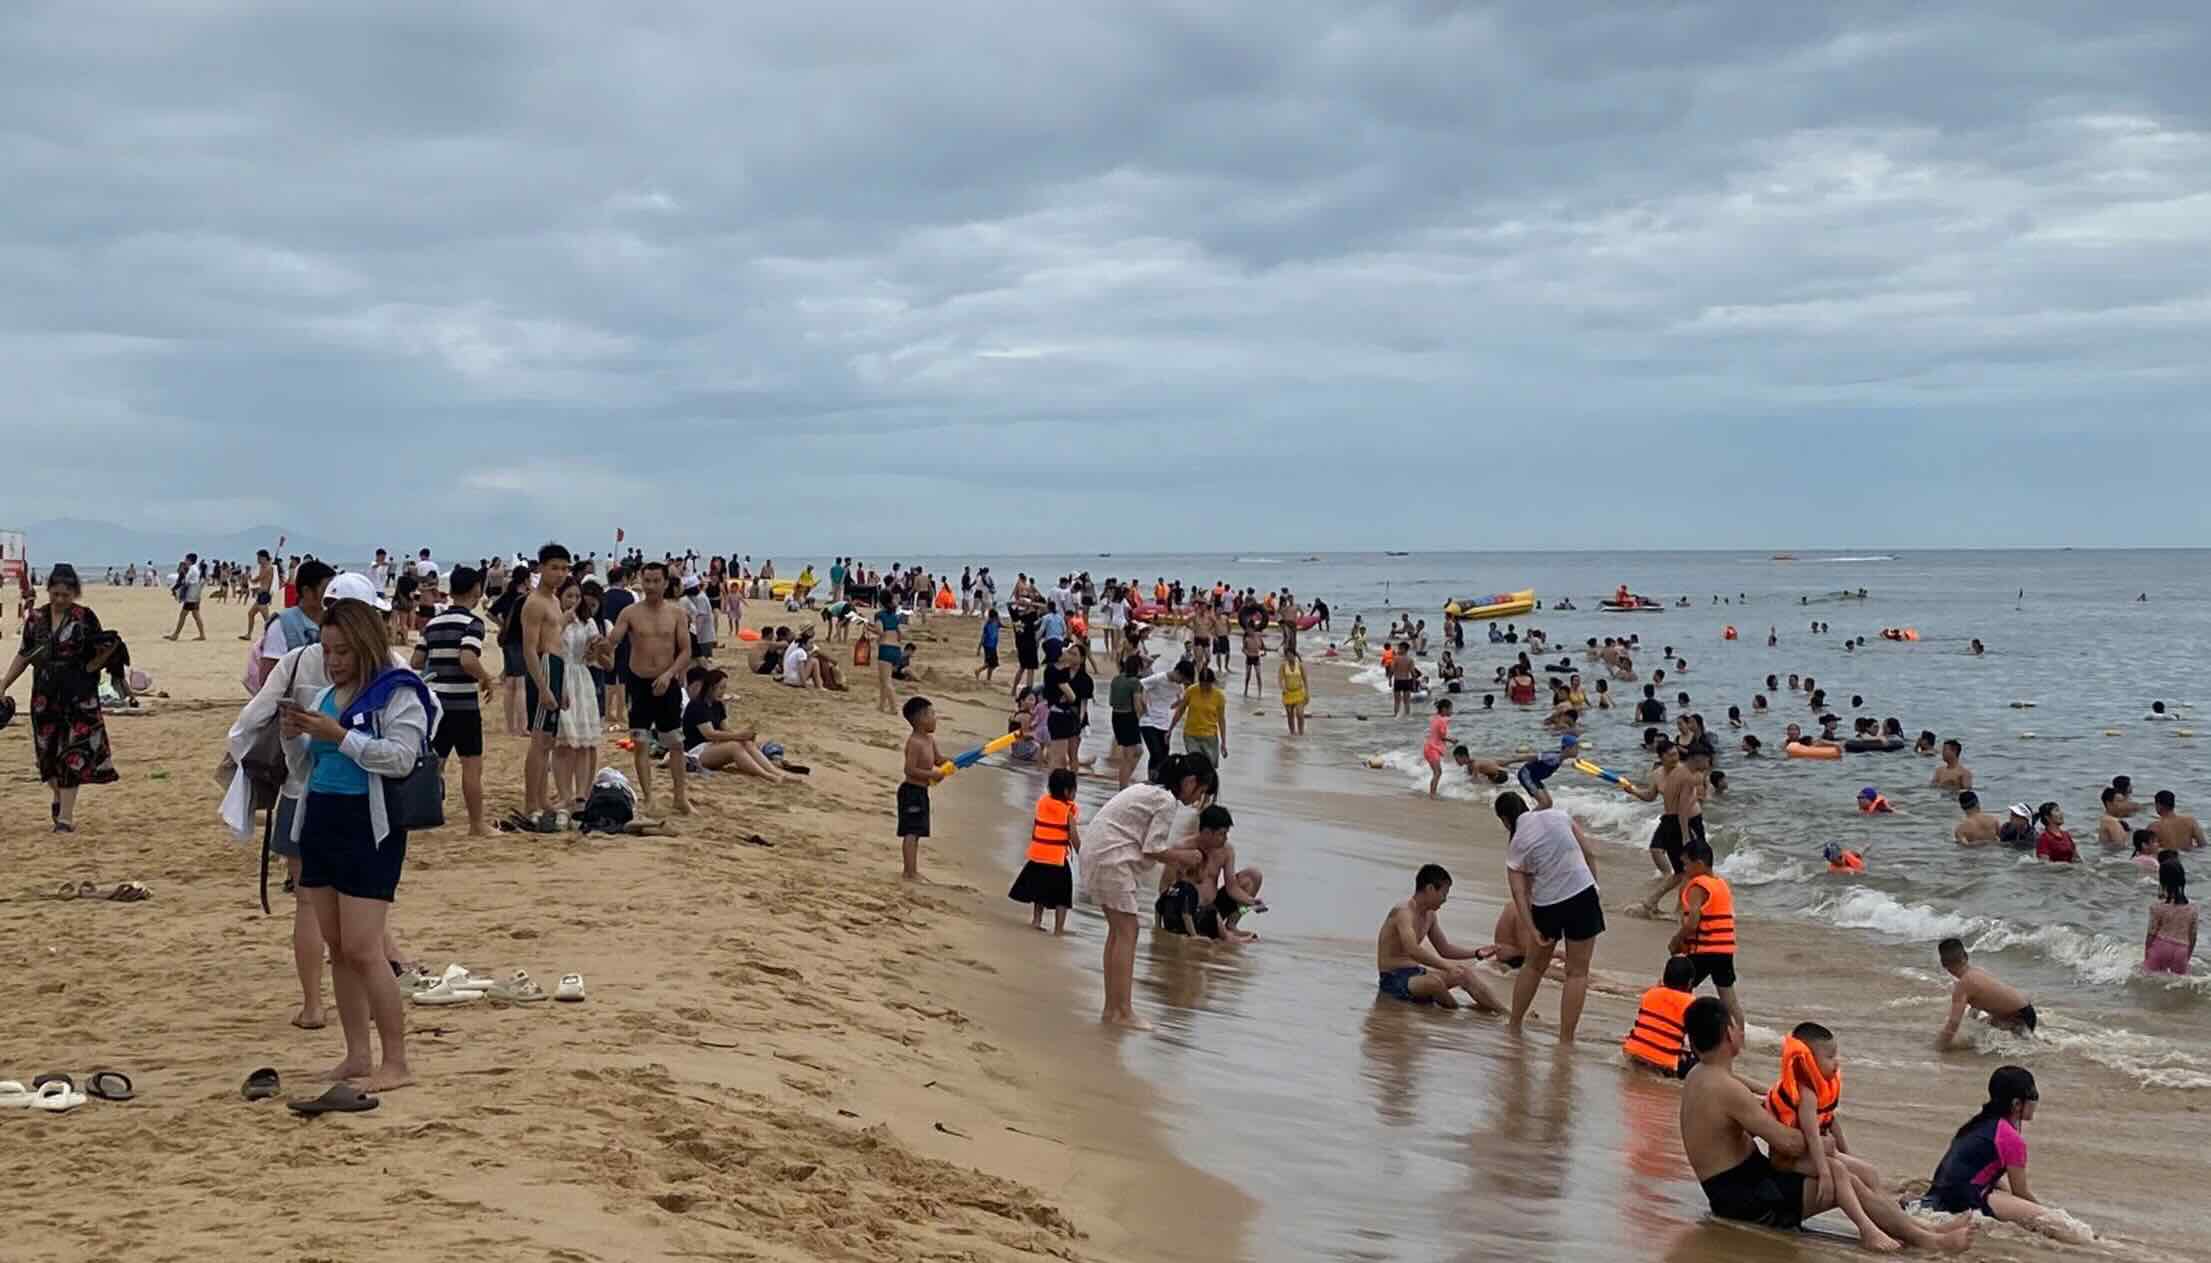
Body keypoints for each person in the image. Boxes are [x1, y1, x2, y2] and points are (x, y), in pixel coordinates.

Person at [280, 598, 437, 1094]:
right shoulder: (328, 694)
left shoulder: (397, 694)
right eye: (327, 650)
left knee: (366, 948)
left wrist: (340, 736)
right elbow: (307, 769)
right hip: (322, 819)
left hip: (370, 828)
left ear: (366, 645)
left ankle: (397, 1062)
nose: (334, 660)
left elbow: (401, 758)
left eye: (344, 650)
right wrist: (294, 736)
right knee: (339, 950)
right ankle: (356, 1056)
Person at [1680, 999, 1971, 1249]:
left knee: (1855, 1174)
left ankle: (1920, 1229)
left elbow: (1769, 1096)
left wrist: (1798, 1099)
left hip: (1742, 1185)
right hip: (1747, 1200)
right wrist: (1823, 1141)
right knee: (1849, 1182)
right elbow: (1789, 1143)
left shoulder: (1703, 1075)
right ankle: (1927, 1241)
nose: (1741, 1030)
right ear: (1730, 1034)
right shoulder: (1724, 1088)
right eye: (1737, 1025)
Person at [1762, 1022, 1937, 1251]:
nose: (1837, 1061)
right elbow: (1813, 1138)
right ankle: (1867, 1229)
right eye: (1830, 1056)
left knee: (1869, 1172)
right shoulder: (1805, 1095)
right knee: (1840, 1172)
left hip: (1816, 1152)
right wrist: (1825, 1172)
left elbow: (1830, 1121)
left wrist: (1845, 1153)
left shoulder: (1820, 1088)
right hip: (1789, 1160)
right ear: (1809, 1061)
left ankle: (1906, 1224)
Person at [1083, 755, 1219, 1029]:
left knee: (1120, 931)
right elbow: (1153, 848)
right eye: (1201, 791)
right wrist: (1184, 857)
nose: (1198, 799)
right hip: (1112, 857)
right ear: (1190, 782)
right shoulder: (1166, 801)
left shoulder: (1151, 790)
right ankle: (1122, 1011)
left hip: (1098, 852)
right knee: (1127, 931)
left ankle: (1114, 1008)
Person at [0, 565, 120, 832]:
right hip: (44, 696)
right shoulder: (36, 619)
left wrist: (107, 655)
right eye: (55, 594)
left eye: (66, 595)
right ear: (49, 591)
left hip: (78, 696)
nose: (60, 600)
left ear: (74, 593)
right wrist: (4, 683)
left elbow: (97, 657)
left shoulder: (85, 618)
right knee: (47, 757)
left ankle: (65, 819)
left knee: (72, 754)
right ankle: (57, 795)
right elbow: (25, 655)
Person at [1495, 790, 1602, 1042]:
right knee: (1577, 973)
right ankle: (1566, 1038)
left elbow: (1519, 893)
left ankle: (1514, 1023)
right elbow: (1590, 853)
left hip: (1547, 905)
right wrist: (1594, 888)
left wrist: (1532, 929)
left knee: (1533, 966)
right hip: (1582, 895)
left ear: (1505, 820)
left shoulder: (1517, 843)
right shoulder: (1559, 816)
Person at [411, 566, 496, 836]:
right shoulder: (473, 623)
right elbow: (468, 658)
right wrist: (485, 677)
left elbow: (416, 661)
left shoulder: (434, 623)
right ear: (476, 590)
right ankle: (477, 824)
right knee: (471, 765)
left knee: (436, 764)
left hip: (435, 703)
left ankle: (427, 816)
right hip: (462, 704)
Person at [1923, 1066, 2055, 1232]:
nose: (2036, 1102)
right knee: (2052, 1222)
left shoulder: (1978, 1124)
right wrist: (2047, 1212)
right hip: (1964, 1201)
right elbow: (2021, 1192)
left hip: (1940, 1195)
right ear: (2016, 1104)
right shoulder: (2010, 1138)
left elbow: (1980, 1172)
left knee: (2009, 1196)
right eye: (2034, 1096)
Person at [606, 559, 691, 816]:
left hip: (668, 682)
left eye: (656, 581)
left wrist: (670, 674)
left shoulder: (677, 613)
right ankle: (648, 797)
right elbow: (613, 641)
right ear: (640, 582)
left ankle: (680, 797)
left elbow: (686, 651)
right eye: (647, 581)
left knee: (675, 743)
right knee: (641, 743)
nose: (651, 586)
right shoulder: (630, 613)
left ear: (666, 583)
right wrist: (601, 646)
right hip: (639, 682)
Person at [1373, 863, 1503, 1010]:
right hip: (1392, 978)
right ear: (1430, 889)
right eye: (1444, 893)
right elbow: (1412, 950)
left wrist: (1477, 953)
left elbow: (1444, 949)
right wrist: (1447, 967)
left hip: (1416, 974)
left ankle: (1503, 1013)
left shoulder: (1430, 915)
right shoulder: (1403, 912)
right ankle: (1459, 1009)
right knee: (1434, 983)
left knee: (1464, 974)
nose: (1445, 899)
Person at [517, 544, 572, 829]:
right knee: (539, 742)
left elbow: (557, 639)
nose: (561, 574)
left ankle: (541, 798)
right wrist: (543, 687)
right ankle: (531, 802)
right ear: (541, 568)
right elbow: (529, 649)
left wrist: (561, 688)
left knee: (548, 742)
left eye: (565, 568)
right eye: (555, 567)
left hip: (557, 666)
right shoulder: (535, 602)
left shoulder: (554, 600)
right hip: (544, 666)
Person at [1623, 742, 1705, 913]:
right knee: (1678, 867)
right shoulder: (1657, 774)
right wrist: (1633, 791)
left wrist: (1686, 835)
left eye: (1676, 754)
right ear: (1661, 757)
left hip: (1691, 821)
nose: (1675, 758)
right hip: (1672, 821)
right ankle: (1667, 904)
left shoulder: (1687, 773)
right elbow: (1650, 796)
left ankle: (1674, 907)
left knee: (1688, 870)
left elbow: (1687, 804)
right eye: (1670, 755)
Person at [1671, 838, 1741, 1022]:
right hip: (1724, 951)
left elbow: (1692, 922)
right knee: (1729, 1000)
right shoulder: (1720, 884)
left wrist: (1676, 940)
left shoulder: (1698, 885)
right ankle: (1739, 1033)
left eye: (1686, 864)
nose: (1684, 869)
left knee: (1676, 990)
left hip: (1704, 951)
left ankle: (1674, 1024)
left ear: (1699, 864)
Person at [1008, 769, 1082, 934]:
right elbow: (1074, 837)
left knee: (1039, 890)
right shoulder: (1068, 812)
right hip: (1056, 859)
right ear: (1067, 791)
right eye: (1074, 790)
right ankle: (1058, 929)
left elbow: (1036, 828)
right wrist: (1081, 853)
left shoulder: (1043, 803)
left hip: (1038, 855)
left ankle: (1036, 920)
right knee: (1063, 895)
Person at [1938, 938, 2036, 1046]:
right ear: (1966, 956)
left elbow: (1953, 1023)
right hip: (2027, 1010)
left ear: (1943, 963)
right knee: (1984, 1026)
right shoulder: (1978, 971)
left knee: (1981, 1041)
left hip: (2017, 1018)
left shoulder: (1962, 987)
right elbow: (1979, 1004)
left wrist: (1940, 1048)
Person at [1622, 955, 1698, 1077]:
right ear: (1690, 982)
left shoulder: (1650, 994)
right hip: (1665, 1064)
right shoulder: (1692, 1004)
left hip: (1633, 1052)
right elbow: (1692, 1042)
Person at [897, 696, 944, 881]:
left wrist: (958, 761)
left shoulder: (929, 740)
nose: (935, 718)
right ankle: (909, 871)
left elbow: (939, 760)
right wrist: (932, 775)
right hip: (911, 791)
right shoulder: (915, 742)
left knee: (917, 832)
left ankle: (912, 869)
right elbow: (909, 770)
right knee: (911, 831)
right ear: (920, 719)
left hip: (922, 792)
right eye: (932, 714)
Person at [1137, 658, 1190, 783]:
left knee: (1164, 756)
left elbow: (1181, 700)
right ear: (1177, 671)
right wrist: (1144, 703)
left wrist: (1174, 705)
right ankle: (1152, 780)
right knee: (1156, 753)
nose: (1181, 682)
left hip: (1165, 723)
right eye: (1181, 678)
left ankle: (1157, 781)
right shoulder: (1159, 678)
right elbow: (1141, 684)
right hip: (1148, 721)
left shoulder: (1179, 687)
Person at [2145, 859, 2195, 975]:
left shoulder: (2157, 907)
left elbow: (2151, 934)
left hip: (2161, 946)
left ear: (2162, 882)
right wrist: (2187, 957)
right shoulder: (2193, 908)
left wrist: (2146, 955)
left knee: (2148, 976)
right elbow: (2193, 937)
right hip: (2182, 949)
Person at [1174, 666, 1228, 769]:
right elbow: (1180, 710)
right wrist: (1171, 729)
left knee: (1209, 767)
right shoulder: (1191, 691)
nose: (1204, 687)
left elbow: (1221, 720)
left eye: (1207, 684)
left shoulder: (1219, 696)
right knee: (1195, 765)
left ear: (1212, 682)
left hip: (1210, 737)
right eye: (1202, 684)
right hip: (1191, 735)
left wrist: (1223, 742)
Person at [874, 590, 907, 714]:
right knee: (884, 679)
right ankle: (881, 705)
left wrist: (870, 628)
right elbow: (900, 634)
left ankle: (894, 707)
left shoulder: (879, 615)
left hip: (885, 649)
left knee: (886, 681)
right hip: (896, 649)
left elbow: (880, 632)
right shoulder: (895, 616)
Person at [164, 553, 208, 641]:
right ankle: (202, 635)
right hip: (196, 594)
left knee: (183, 615)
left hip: (191, 595)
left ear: (189, 560)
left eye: (186, 559)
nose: (185, 561)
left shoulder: (192, 569)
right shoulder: (196, 568)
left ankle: (175, 635)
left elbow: (186, 581)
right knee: (195, 615)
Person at [240, 548, 276, 642]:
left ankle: (273, 637)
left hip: (264, 595)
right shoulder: (264, 567)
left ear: (264, 558)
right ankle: (249, 635)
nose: (258, 560)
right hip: (261, 595)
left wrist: (249, 578)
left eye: (259, 558)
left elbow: (258, 579)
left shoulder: (268, 568)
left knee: (267, 620)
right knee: (251, 614)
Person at [1423, 698, 1453, 798]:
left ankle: (1432, 792)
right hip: (1432, 749)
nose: (1452, 711)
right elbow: (1442, 737)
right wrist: (1452, 740)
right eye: (1450, 709)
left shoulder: (1436, 717)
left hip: (1429, 748)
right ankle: (1432, 794)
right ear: (1444, 709)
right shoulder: (1442, 721)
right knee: (1438, 772)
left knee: (1437, 772)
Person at [1278, 647, 1308, 735]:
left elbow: (1305, 680)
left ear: (1295, 655)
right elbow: (1280, 679)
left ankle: (1301, 732)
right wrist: (1283, 688)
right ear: (1286, 656)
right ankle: (1292, 733)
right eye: (1287, 655)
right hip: (1288, 693)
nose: (1290, 657)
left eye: (1291, 655)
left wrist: (1307, 692)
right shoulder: (1283, 665)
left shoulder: (1300, 665)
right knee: (1290, 715)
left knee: (1300, 714)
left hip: (1298, 692)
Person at [975, 605, 1001, 682]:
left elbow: (1003, 625)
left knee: (993, 664)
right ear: (992, 617)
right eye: (996, 617)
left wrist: (1013, 626)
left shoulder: (997, 623)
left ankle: (988, 678)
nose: (997, 618)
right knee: (989, 663)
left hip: (993, 646)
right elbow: (983, 637)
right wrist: (979, 649)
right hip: (988, 646)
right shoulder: (987, 625)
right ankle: (978, 671)